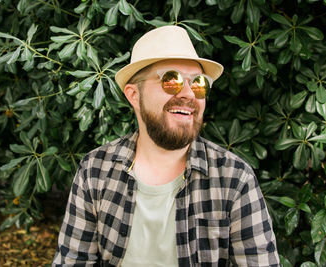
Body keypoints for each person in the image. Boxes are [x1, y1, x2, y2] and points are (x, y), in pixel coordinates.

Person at [52, 25, 280, 266]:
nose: (190, 94)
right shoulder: (95, 170)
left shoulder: (234, 178)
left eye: (199, 83)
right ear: (133, 95)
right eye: (171, 80)